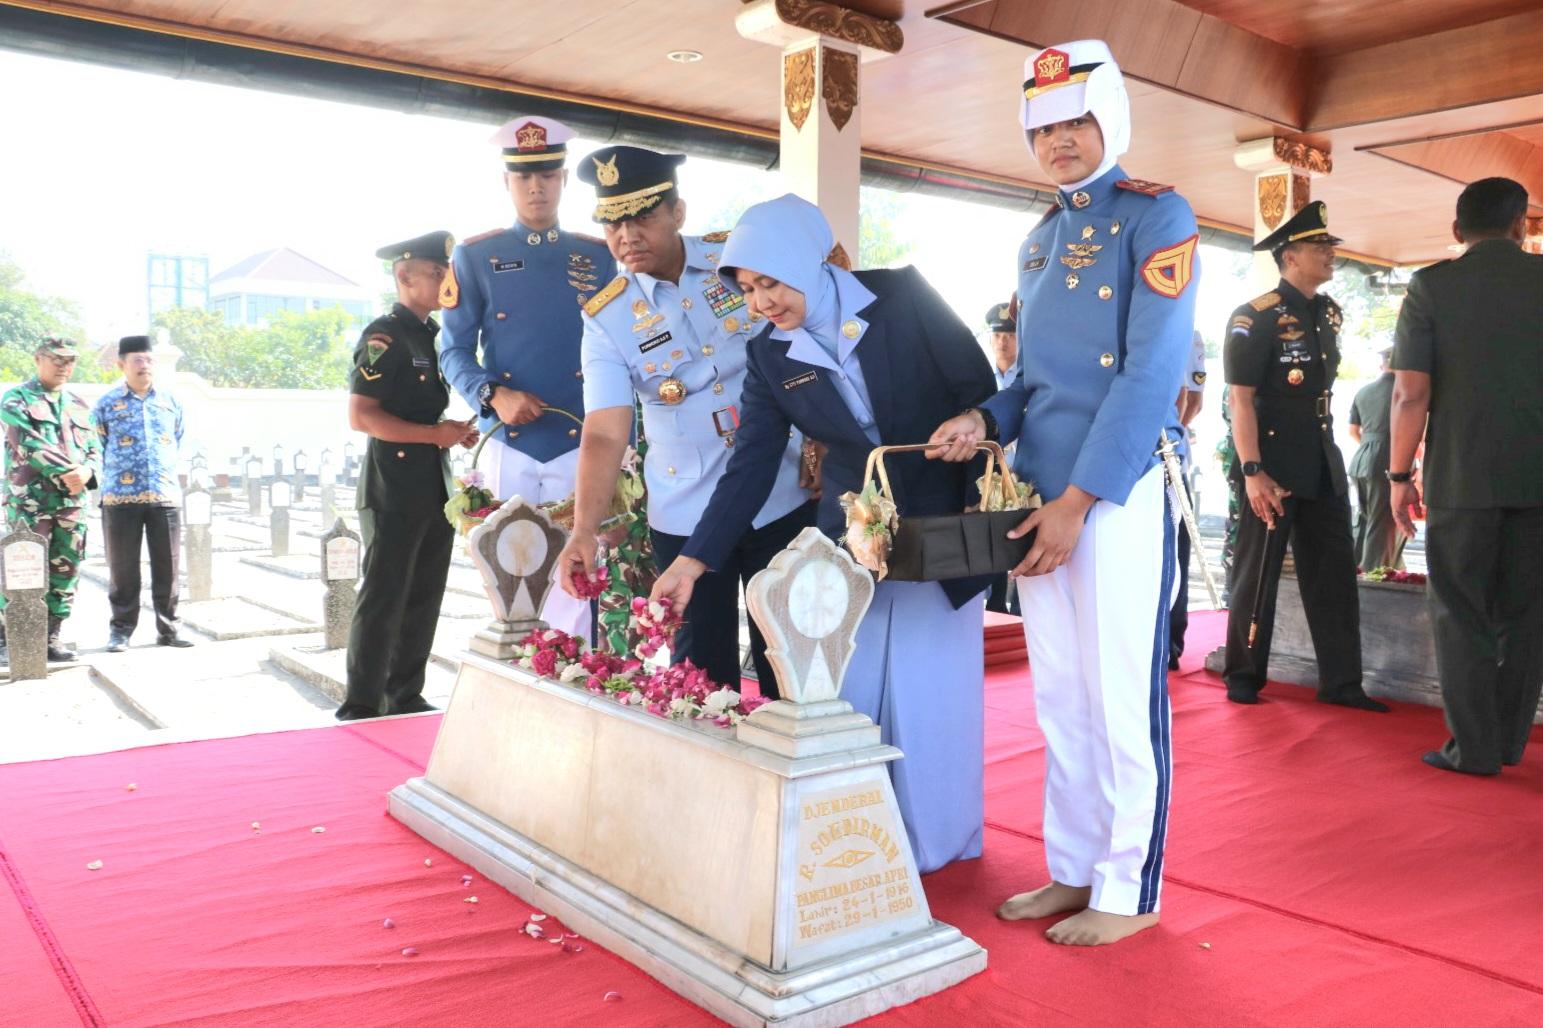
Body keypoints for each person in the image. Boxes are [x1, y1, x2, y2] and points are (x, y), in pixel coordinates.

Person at [929, 39, 1197, 946]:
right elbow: (1032, 383)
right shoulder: (1037, 241)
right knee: (1061, 695)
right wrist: (982, 418)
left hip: (1110, 493)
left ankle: (1129, 888)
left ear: (1108, 120)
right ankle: (1074, 869)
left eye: (1075, 121)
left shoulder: (1155, 219)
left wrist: (1077, 503)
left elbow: (1149, 375)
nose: (1059, 141)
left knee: (1122, 693)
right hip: (1040, 493)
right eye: (1042, 127)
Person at [650, 192, 997, 872]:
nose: (760, 302)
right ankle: (865, 841)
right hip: (853, 539)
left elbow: (975, 384)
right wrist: (694, 560)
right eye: (748, 289)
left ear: (801, 262)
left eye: (769, 282)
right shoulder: (768, 355)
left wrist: (975, 423)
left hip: (942, 526)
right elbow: (748, 465)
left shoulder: (899, 297)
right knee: (854, 690)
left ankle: (935, 842)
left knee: (931, 690)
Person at [555, 146, 816, 697]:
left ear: (677, 212)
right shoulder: (605, 317)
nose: (627, 235)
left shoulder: (739, 262)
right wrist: (583, 530)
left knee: (792, 669)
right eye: (612, 222)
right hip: (686, 515)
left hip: (782, 494)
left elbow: (806, 342)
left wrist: (819, 438)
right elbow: (604, 431)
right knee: (701, 682)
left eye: (643, 216)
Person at [1388, 177, 1543, 775]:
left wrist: (1400, 474)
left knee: (1459, 610)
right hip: (1537, 480)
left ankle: (1474, 749)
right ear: (1521, 225)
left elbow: (1410, 393)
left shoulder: (1432, 286)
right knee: (1528, 614)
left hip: (1462, 477)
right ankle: (1508, 742)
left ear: (1457, 232)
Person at [438, 116, 613, 642]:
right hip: (510, 443)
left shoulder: (599, 255)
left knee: (577, 581)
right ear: (507, 183)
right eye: (523, 177)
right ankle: (520, 678)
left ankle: (574, 680)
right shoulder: (476, 256)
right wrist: (493, 393)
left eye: (548, 175)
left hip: (583, 442)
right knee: (510, 580)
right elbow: (451, 350)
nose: (536, 187)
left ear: (563, 180)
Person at [1220, 201, 1387, 713]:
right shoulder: (1255, 316)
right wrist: (1252, 471)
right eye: (1320, 247)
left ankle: (1342, 683)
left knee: (1335, 574)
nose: (1329, 255)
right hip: (1270, 464)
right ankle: (1244, 675)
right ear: (1290, 255)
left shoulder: (1329, 312)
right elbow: (1240, 400)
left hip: (1321, 459)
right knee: (1260, 572)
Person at [337, 231, 478, 721]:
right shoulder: (384, 336)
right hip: (391, 485)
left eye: (447, 273)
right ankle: (361, 701)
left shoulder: (434, 336)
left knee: (424, 591)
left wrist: (451, 433)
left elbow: (426, 416)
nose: (445, 282)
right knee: (383, 594)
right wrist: (432, 434)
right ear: (405, 276)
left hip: (433, 484)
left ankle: (405, 692)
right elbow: (363, 416)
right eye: (437, 273)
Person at [0, 338, 101, 662]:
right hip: (30, 503)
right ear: (38, 358)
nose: (63, 366)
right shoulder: (16, 400)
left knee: (66, 569)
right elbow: (29, 443)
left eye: (70, 360)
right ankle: (8, 634)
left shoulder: (79, 405)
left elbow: (94, 449)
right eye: (56, 359)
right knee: (21, 567)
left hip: (71, 505)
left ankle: (51, 636)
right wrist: (70, 471)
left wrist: (88, 471)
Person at [94, 335, 191, 651]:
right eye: (136, 360)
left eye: (148, 360)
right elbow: (98, 447)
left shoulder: (170, 402)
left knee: (169, 566)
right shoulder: (107, 404)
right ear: (122, 364)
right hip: (120, 498)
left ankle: (169, 629)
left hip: (164, 496)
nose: (144, 365)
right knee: (123, 569)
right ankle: (121, 630)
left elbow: (177, 438)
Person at [1167, 330, 1207, 668]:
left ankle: (1169, 642)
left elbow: (1190, 400)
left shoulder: (1187, 335)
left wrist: (1163, 439)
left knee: (1173, 556)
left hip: (1167, 462)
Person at [1347, 348, 1404, 572]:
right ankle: (1374, 574)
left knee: (1362, 519)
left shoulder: (1363, 392)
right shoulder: (1404, 392)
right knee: (1382, 521)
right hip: (1387, 458)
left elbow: (1353, 430)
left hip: (1360, 459)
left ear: (1382, 365)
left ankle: (1353, 569)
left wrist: (1369, 446)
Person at [983, 300, 1021, 616]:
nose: (1003, 341)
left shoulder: (1031, 377)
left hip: (1025, 469)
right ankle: (996, 602)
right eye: (997, 335)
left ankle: (1022, 605)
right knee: (994, 537)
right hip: (993, 473)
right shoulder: (983, 377)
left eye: (1009, 333)